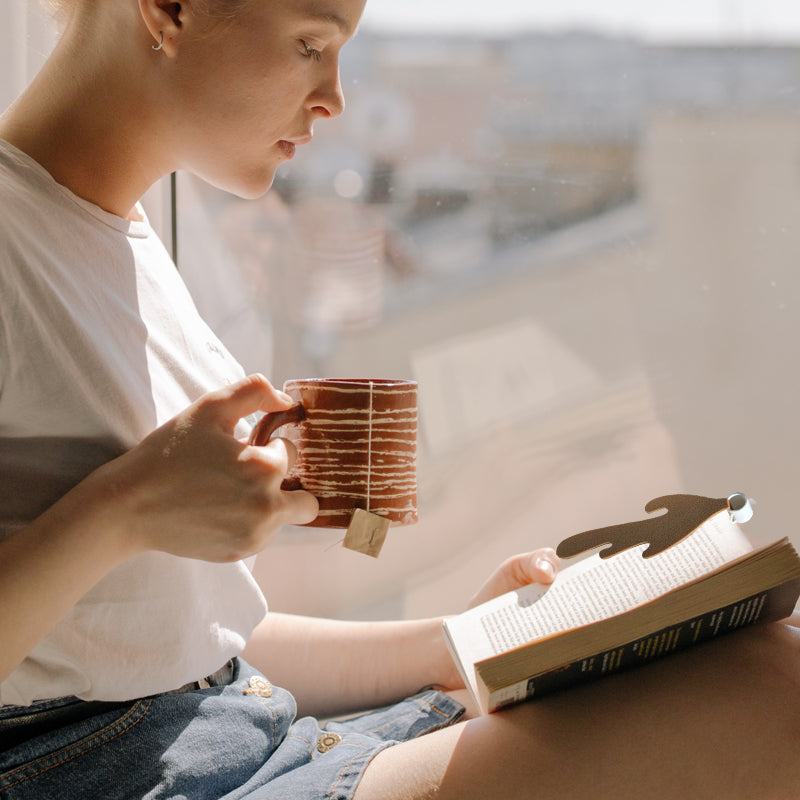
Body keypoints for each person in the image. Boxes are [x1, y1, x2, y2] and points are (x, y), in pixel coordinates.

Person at [0, 1, 799, 798]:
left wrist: (458, 643)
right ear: (169, 9)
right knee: (767, 701)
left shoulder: (121, 241)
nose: (335, 98)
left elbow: (202, 646)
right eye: (311, 43)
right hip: (113, 774)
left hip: (248, 734)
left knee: (767, 658)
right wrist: (127, 506)